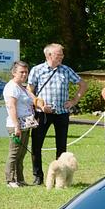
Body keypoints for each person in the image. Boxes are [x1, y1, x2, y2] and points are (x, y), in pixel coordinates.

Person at [28, 43, 87, 185]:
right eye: (59, 54)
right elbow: (29, 91)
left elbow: (83, 84)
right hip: (42, 114)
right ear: (49, 55)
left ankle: (61, 177)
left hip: (62, 113)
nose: (62, 57)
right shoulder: (37, 70)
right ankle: (38, 176)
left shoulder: (66, 70)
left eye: (62, 54)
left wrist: (74, 101)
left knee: (62, 147)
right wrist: (40, 105)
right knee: (37, 145)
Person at [3, 61, 38, 188]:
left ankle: (20, 179)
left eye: (26, 72)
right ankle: (10, 180)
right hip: (16, 125)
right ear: (14, 73)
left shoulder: (21, 87)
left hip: (25, 124)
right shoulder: (11, 87)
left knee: (21, 153)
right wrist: (16, 125)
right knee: (14, 153)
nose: (24, 74)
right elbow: (11, 107)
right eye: (21, 72)